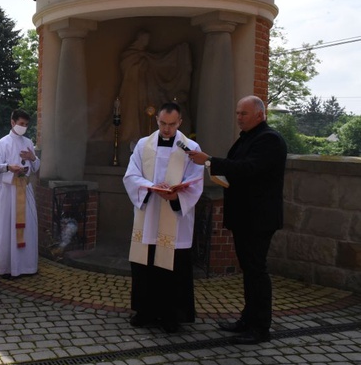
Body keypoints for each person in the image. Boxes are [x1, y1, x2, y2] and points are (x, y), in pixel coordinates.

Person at [187, 95, 287, 345]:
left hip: (259, 218)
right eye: (238, 113)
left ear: (260, 114)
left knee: (256, 270)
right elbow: (238, 166)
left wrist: (209, 161)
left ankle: (261, 327)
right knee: (249, 270)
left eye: (244, 113)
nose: (239, 118)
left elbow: (249, 168)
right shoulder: (249, 138)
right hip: (245, 216)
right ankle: (247, 319)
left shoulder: (269, 140)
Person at [123, 102, 204, 333]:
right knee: (145, 265)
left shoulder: (190, 147)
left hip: (174, 219)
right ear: (157, 119)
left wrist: (177, 196)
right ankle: (144, 311)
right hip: (148, 214)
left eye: (171, 124)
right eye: (162, 123)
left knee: (173, 267)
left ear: (180, 122)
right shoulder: (143, 145)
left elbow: (196, 181)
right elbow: (131, 176)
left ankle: (172, 316)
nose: (166, 129)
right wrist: (150, 187)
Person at [0, 109, 40, 278]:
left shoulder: (28, 142)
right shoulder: (2, 143)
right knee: (7, 227)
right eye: (21, 124)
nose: (24, 127)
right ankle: (6, 267)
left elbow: (35, 168)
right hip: (9, 191)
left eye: (26, 125)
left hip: (24, 189)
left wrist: (32, 157)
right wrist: (10, 168)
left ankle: (26, 266)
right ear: (12, 122)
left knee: (27, 226)